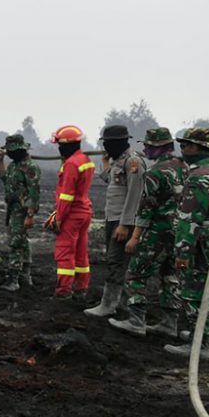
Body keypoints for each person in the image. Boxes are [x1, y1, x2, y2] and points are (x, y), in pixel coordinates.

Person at [110, 127, 186, 336]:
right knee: (170, 275)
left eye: (148, 146)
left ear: (158, 147)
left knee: (135, 274)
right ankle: (170, 323)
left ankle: (136, 321)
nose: (145, 148)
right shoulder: (183, 167)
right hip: (178, 232)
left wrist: (135, 237)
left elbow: (146, 208)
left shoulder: (154, 173)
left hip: (157, 232)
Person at [164, 127, 209, 360]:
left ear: (197, 147)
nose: (183, 149)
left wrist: (182, 251)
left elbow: (190, 218)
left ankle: (200, 345)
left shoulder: (200, 175)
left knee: (193, 289)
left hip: (200, 242)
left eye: (186, 145)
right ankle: (204, 335)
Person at [85, 124, 146, 317]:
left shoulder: (133, 162)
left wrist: (125, 225)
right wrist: (105, 164)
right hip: (112, 218)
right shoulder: (118, 161)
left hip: (122, 221)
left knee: (116, 262)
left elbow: (135, 195)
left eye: (108, 144)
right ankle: (115, 302)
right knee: (113, 260)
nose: (106, 148)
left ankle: (109, 305)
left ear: (120, 142)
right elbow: (113, 182)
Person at [45, 125, 96, 299]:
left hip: (72, 214)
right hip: (84, 212)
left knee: (65, 252)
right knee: (81, 252)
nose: (58, 148)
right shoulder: (85, 160)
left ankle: (63, 291)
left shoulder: (72, 164)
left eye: (60, 144)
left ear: (67, 145)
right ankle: (81, 287)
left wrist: (59, 217)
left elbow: (66, 195)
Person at [0, 133, 41, 291]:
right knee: (22, 242)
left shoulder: (30, 167)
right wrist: (0, 162)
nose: (9, 153)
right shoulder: (13, 165)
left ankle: (13, 279)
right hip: (13, 209)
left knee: (16, 243)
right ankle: (25, 276)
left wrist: (30, 215)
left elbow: (34, 194)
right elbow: (5, 180)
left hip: (22, 210)